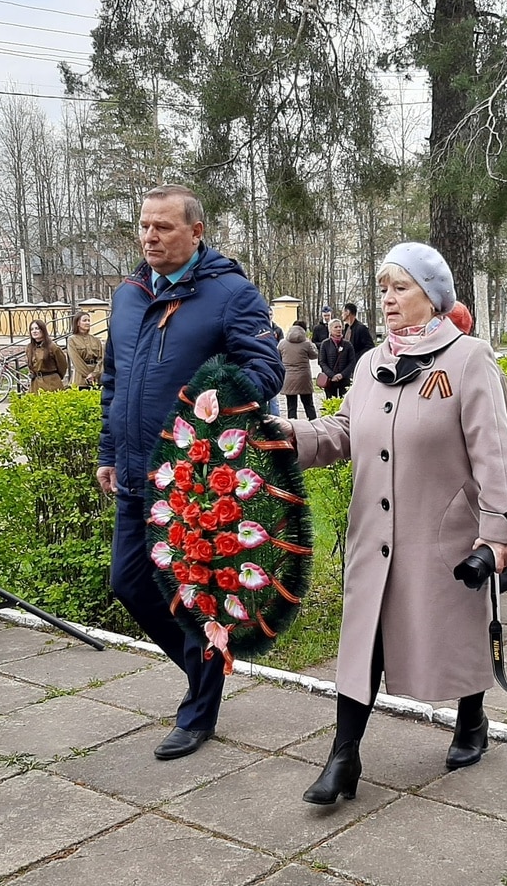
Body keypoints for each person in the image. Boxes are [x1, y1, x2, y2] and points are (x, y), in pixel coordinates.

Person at [279, 240, 507, 805]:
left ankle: (472, 719)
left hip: (442, 529)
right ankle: (344, 756)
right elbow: (342, 432)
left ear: (433, 296)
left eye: (402, 288)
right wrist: (284, 437)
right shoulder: (370, 365)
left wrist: (503, 530)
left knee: (460, 626)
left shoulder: (469, 359)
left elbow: (494, 450)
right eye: (384, 289)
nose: (389, 300)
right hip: (374, 531)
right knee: (362, 638)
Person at [96, 184, 283, 761]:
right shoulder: (128, 297)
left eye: (164, 227)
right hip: (134, 474)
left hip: (194, 478)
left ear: (195, 232)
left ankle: (198, 710)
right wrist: (108, 451)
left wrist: (211, 408)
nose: (150, 237)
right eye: (145, 226)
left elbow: (264, 368)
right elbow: (114, 381)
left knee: (196, 597)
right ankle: (209, 664)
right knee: (128, 583)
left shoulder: (231, 294)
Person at [278, 319, 319, 420]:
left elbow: (277, 357)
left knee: (291, 407)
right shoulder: (306, 343)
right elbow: (314, 355)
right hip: (303, 378)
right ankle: (314, 425)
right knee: (309, 405)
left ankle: (293, 429)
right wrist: (311, 344)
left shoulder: (282, 343)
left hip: (288, 377)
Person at [318, 319, 357, 399]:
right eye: (336, 327)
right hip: (330, 380)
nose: (339, 329)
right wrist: (332, 375)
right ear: (330, 330)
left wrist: (342, 375)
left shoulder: (348, 344)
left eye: (340, 327)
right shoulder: (325, 344)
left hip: (344, 380)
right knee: (331, 403)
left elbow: (352, 362)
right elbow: (322, 362)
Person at [26, 320, 68, 392]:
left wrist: (56, 377)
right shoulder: (30, 348)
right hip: (35, 384)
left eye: (37, 328)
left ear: (43, 330)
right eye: (32, 329)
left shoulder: (52, 347)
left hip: (51, 382)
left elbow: (62, 365)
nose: (34, 331)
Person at [66, 310, 103, 390]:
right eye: (84, 320)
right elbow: (76, 360)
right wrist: (87, 375)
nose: (87, 323)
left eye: (89, 320)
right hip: (80, 378)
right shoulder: (72, 340)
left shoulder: (96, 340)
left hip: (96, 378)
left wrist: (94, 374)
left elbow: (101, 359)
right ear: (78, 323)